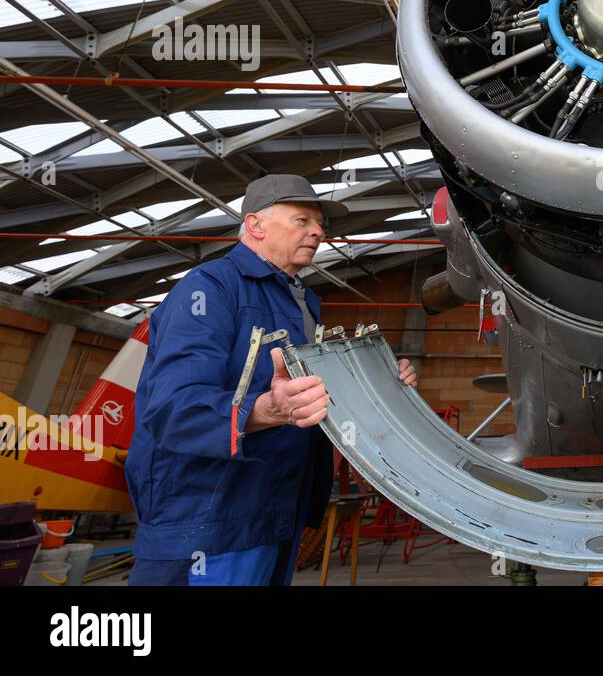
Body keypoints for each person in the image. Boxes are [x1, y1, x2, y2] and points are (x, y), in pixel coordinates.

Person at [126, 174, 417, 585]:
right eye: (301, 220)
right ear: (256, 225)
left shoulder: (299, 302)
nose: (318, 231)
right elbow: (172, 407)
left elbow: (308, 397)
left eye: (320, 225)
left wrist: (381, 381)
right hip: (208, 522)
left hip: (277, 513)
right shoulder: (210, 289)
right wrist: (264, 409)